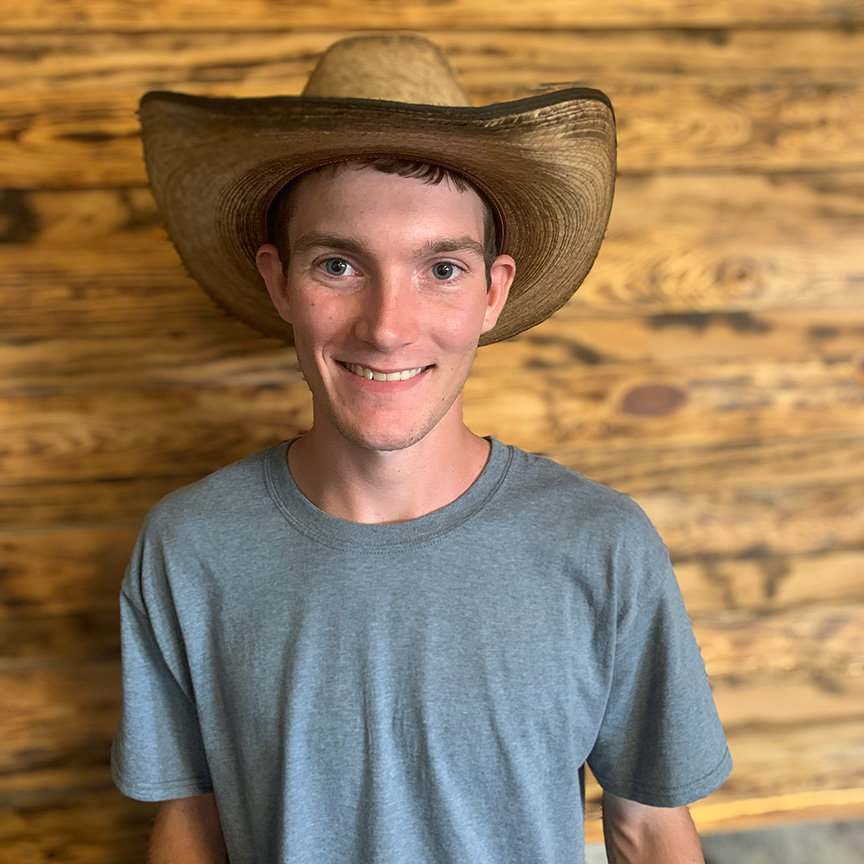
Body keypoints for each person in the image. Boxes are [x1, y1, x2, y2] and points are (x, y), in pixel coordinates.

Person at [112, 34, 732, 864]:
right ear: (277, 281)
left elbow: (651, 832)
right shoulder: (188, 548)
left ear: (493, 293)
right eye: (338, 264)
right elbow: (191, 829)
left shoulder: (601, 545)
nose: (388, 327)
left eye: (441, 267)